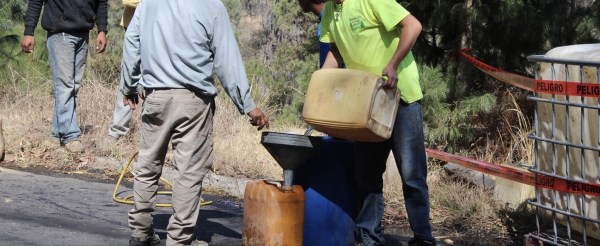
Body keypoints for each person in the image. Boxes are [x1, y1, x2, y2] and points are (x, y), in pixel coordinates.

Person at [120, 0, 270, 245]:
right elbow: (226, 60)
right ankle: (180, 239)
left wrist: (129, 84)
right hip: (193, 101)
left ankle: (140, 233)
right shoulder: (212, 6)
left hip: (155, 96)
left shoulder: (148, 4)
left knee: (147, 165)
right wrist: (247, 105)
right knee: (188, 172)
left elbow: (131, 43)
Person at [319, 0, 436, 245]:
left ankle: (423, 239)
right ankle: (369, 237)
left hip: (400, 98)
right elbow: (336, 50)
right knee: (367, 175)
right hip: (366, 104)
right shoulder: (330, 10)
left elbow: (413, 25)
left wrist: (392, 64)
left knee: (412, 176)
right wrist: (320, 85)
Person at [21, 0, 108, 153]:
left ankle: (57, 134)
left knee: (73, 86)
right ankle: (70, 136)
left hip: (83, 33)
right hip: (60, 33)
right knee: (65, 86)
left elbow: (101, 2)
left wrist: (102, 29)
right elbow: (35, 2)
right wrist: (29, 31)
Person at [105, 0, 141, 143]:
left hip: (162, 29)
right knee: (127, 75)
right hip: (134, 26)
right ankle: (117, 131)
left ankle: (156, 130)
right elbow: (129, 1)